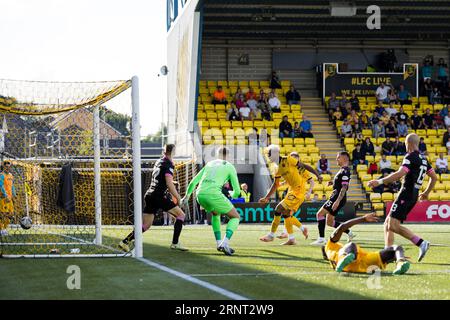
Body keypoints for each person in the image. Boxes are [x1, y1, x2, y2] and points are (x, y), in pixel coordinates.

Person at [368, 133, 437, 262]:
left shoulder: (410, 157)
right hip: (413, 194)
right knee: (387, 223)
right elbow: (434, 177)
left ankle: (421, 242)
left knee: (393, 225)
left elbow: (400, 174)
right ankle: (387, 253)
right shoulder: (423, 159)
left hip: (406, 193)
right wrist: (426, 192)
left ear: (409, 144)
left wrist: (379, 181)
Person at [119, 144, 188, 252]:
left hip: (150, 194)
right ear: (173, 151)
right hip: (158, 196)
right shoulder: (168, 164)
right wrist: (178, 198)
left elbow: (160, 179)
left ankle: (124, 242)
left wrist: (170, 183)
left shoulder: (159, 161)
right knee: (181, 215)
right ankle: (175, 243)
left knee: (145, 226)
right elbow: (169, 184)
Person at [181, 147, 241, 256]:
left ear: (217, 155)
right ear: (228, 156)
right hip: (213, 195)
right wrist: (233, 194)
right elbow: (237, 191)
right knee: (235, 217)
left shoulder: (209, 164)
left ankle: (219, 243)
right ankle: (225, 243)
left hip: (200, 195)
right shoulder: (229, 166)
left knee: (216, 213)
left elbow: (193, 182)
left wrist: (186, 197)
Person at [259, 147, 322, 245]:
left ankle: (271, 235)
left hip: (298, 191)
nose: (268, 156)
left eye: (269, 153)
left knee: (278, 209)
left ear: (275, 153)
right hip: (292, 191)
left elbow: (304, 166)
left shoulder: (288, 159)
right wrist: (266, 197)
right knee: (286, 214)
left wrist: (317, 175)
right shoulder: (277, 168)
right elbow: (275, 184)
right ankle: (292, 238)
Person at [322, 213, 410, 275]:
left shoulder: (332, 254)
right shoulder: (329, 246)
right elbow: (342, 227)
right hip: (362, 261)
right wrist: (363, 218)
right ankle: (400, 261)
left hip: (354, 264)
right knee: (397, 248)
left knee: (395, 249)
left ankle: (400, 263)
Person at [311, 152, 355, 246]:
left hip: (336, 198)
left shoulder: (345, 171)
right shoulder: (342, 170)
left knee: (319, 214)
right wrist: (333, 183)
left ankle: (321, 239)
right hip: (337, 197)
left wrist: (337, 201)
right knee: (330, 222)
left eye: (338, 157)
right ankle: (349, 232)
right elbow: (340, 184)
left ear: (344, 158)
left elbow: (344, 187)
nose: (336, 159)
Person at [0, 161, 16, 236]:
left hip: (9, 198)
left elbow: (12, 186)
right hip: (3, 198)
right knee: (3, 214)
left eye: (9, 167)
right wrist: (5, 195)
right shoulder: (2, 175)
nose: (7, 168)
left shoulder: (11, 175)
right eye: (6, 166)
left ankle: (5, 228)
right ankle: (1, 228)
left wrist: (14, 194)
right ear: (4, 167)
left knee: (10, 214)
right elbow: (1, 186)